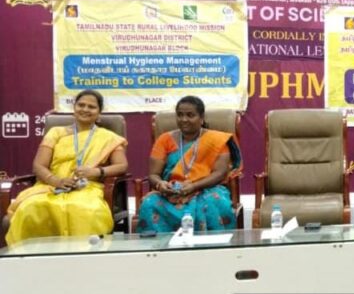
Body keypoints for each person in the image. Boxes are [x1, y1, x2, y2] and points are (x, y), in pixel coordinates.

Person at [4, 90, 128, 245]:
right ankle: (30, 255)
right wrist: (57, 181)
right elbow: (39, 165)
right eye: (81, 105)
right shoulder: (56, 133)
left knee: (86, 209)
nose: (85, 109)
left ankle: (84, 254)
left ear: (99, 112)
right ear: (74, 108)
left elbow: (121, 165)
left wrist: (95, 171)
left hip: (87, 188)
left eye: (91, 107)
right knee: (31, 207)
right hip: (51, 186)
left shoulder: (109, 137)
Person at [137, 96, 241, 233]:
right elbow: (153, 174)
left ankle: (213, 245)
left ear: (201, 118)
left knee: (213, 202)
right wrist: (160, 184)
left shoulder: (216, 140)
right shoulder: (164, 140)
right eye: (180, 115)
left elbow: (220, 173)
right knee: (149, 203)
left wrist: (194, 186)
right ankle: (159, 246)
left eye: (190, 115)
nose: (184, 119)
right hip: (172, 191)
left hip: (207, 188)